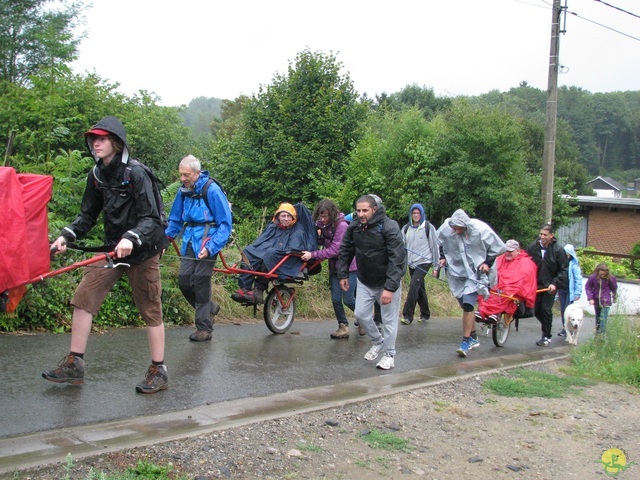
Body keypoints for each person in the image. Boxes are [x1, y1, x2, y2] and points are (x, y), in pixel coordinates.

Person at [43, 116, 169, 394]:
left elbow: (152, 218)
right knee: (84, 296)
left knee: (150, 306)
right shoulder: (97, 174)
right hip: (112, 249)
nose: (95, 143)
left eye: (101, 138)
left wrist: (131, 237)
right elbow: (87, 215)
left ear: (116, 142)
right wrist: (66, 236)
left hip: (144, 248)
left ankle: (159, 370)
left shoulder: (136, 173)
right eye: (92, 139)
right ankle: (75, 364)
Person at [165, 155, 232, 342]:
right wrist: (165, 240)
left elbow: (225, 224)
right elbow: (175, 219)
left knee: (200, 281)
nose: (182, 179)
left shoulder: (212, 190)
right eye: (180, 174)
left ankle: (204, 329)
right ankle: (209, 308)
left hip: (208, 239)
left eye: (186, 175)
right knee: (184, 281)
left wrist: (211, 247)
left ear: (197, 173)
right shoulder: (183, 191)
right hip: (188, 240)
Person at [337, 194, 407, 370]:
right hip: (365, 280)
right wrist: (343, 274)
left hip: (387, 282)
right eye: (358, 210)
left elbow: (397, 259)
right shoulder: (354, 227)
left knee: (389, 320)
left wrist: (390, 288)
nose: (361, 214)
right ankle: (377, 341)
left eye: (365, 210)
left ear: (374, 209)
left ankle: (389, 354)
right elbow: (345, 249)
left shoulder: (389, 227)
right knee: (360, 314)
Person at [436, 209, 506, 357]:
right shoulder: (446, 229)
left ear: (466, 226)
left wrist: (487, 263)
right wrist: (442, 257)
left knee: (468, 305)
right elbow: (438, 242)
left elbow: (498, 248)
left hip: (476, 272)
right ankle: (473, 336)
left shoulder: (481, 230)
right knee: (463, 305)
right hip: (456, 271)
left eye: (459, 228)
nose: (456, 231)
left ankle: (465, 342)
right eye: (454, 228)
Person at [231, 202, 317, 305]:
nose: (285, 218)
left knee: (269, 255)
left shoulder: (298, 230)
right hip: (271, 254)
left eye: (288, 216)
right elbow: (260, 243)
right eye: (283, 216)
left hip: (288, 259)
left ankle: (259, 290)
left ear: (293, 217)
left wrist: (273, 251)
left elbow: (295, 247)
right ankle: (245, 288)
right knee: (248, 251)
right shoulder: (273, 227)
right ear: (278, 216)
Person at [301, 199, 359, 339]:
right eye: (321, 216)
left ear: (332, 214)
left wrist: (312, 255)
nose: (322, 219)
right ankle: (343, 326)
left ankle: (365, 319)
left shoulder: (342, 226)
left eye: (326, 216)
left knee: (349, 299)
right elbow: (323, 242)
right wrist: (318, 237)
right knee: (335, 299)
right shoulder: (322, 225)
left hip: (349, 267)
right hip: (334, 267)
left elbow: (335, 250)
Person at [526, 224, 569, 347]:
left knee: (545, 309)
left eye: (545, 235)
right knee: (535, 310)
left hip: (549, 286)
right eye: (541, 234)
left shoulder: (558, 250)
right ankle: (546, 327)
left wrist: (555, 283)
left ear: (551, 235)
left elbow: (563, 269)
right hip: (535, 285)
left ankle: (546, 336)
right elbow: (525, 264)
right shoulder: (532, 248)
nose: (542, 237)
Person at [476, 240, 537, 321]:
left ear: (517, 251)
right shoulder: (499, 259)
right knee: (488, 292)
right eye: (506, 250)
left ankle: (495, 313)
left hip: (513, 290)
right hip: (498, 287)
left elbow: (525, 279)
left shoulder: (525, 262)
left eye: (510, 251)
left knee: (504, 294)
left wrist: (512, 288)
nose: (507, 253)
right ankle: (483, 311)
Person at [400, 203, 438, 325]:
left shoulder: (428, 227)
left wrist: (436, 266)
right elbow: (401, 245)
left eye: (418, 213)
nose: (416, 215)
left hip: (424, 262)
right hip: (412, 263)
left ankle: (407, 315)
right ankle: (425, 314)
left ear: (422, 214)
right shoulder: (406, 229)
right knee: (419, 287)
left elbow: (434, 246)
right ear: (411, 214)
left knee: (413, 286)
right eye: (414, 213)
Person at [584, 262, 618, 334]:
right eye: (601, 274)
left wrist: (614, 296)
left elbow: (614, 288)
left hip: (606, 301)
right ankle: (598, 334)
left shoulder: (611, 278)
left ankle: (602, 336)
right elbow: (588, 287)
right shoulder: (593, 277)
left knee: (603, 319)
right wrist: (590, 298)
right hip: (596, 301)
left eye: (604, 274)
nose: (602, 276)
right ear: (597, 272)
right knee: (598, 318)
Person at [557, 244, 582, 338]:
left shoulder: (574, 266)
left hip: (570, 292)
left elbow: (578, 280)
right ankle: (565, 328)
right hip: (562, 290)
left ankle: (571, 329)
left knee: (569, 310)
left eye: (566, 254)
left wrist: (577, 293)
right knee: (563, 310)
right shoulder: (561, 264)